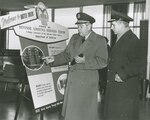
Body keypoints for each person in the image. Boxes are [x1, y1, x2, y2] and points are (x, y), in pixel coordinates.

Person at [43, 12, 108, 120]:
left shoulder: (100, 40)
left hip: (87, 82)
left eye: (81, 26)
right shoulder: (74, 38)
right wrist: (53, 58)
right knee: (72, 114)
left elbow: (103, 61)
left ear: (89, 26)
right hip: (73, 80)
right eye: (78, 26)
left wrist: (85, 61)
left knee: (84, 113)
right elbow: (67, 55)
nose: (78, 29)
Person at [104, 10, 145, 120]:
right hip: (117, 89)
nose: (111, 28)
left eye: (113, 25)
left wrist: (123, 74)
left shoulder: (132, 40)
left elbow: (140, 62)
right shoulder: (121, 38)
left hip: (124, 89)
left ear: (122, 24)